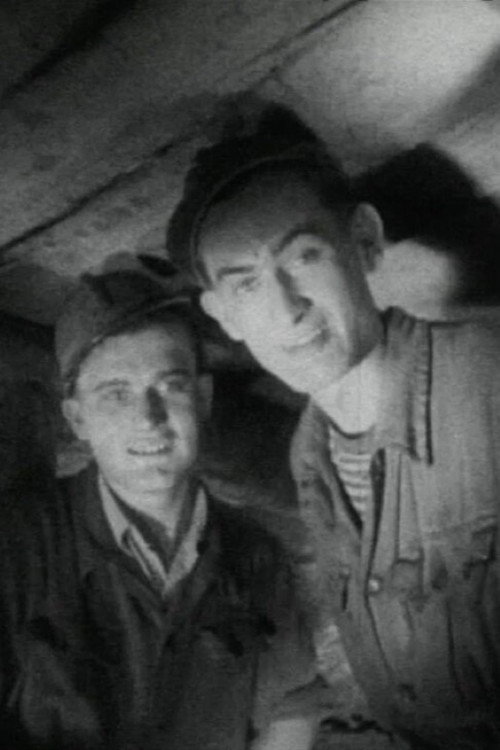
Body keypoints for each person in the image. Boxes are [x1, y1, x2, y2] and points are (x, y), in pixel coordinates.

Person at [167, 107, 500, 749]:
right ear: (224, 316)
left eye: (304, 256)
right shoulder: (310, 456)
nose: (286, 309)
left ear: (365, 241)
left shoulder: (489, 380)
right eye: (246, 285)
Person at [0, 267, 324, 750]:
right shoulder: (17, 547)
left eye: (170, 386)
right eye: (116, 394)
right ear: (77, 418)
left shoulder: (257, 558)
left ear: (203, 398)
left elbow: (292, 708)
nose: (149, 418)